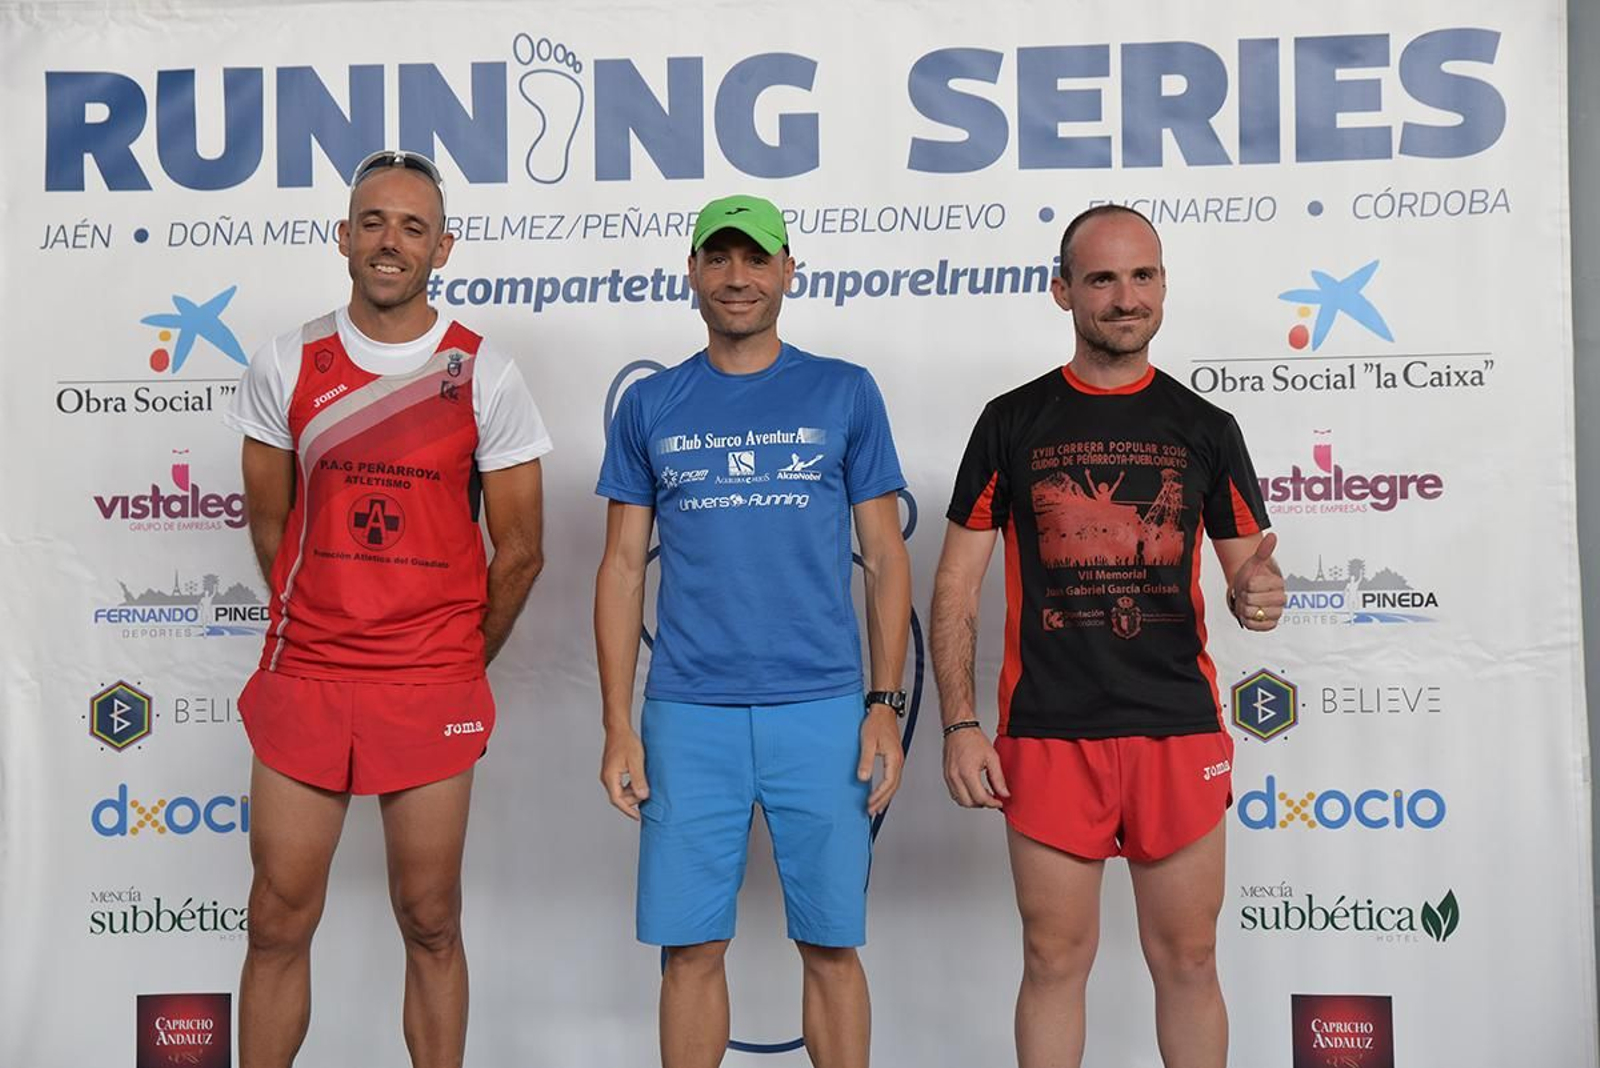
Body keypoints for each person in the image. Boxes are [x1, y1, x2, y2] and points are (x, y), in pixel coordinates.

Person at [929, 204, 1284, 1068]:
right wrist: (960, 723)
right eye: (1102, 279)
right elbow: (953, 585)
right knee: (1053, 961)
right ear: (1063, 291)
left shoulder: (1207, 428)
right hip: (1050, 731)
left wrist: (1259, 592)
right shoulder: (1012, 421)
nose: (1126, 298)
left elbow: (1249, 579)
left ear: (1163, 286)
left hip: (1177, 725)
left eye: (1143, 276)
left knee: (1190, 961)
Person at [224, 149, 551, 1068]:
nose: (390, 241)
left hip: (429, 681)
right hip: (309, 673)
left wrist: (453, 655)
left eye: (413, 226)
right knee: (277, 919)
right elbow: (272, 524)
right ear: (343, 236)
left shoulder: (483, 371)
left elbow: (521, 551)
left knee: (431, 919)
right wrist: (325, 616)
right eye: (373, 221)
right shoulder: (288, 360)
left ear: (443, 248)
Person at [594, 194, 912, 1068]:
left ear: (788, 272)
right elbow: (623, 569)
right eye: (720, 258)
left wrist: (883, 705)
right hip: (688, 714)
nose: (739, 277)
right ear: (692, 272)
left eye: (757, 258)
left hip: (823, 710)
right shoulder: (653, 403)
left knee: (833, 948)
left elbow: (883, 558)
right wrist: (619, 724)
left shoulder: (844, 390)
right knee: (690, 952)